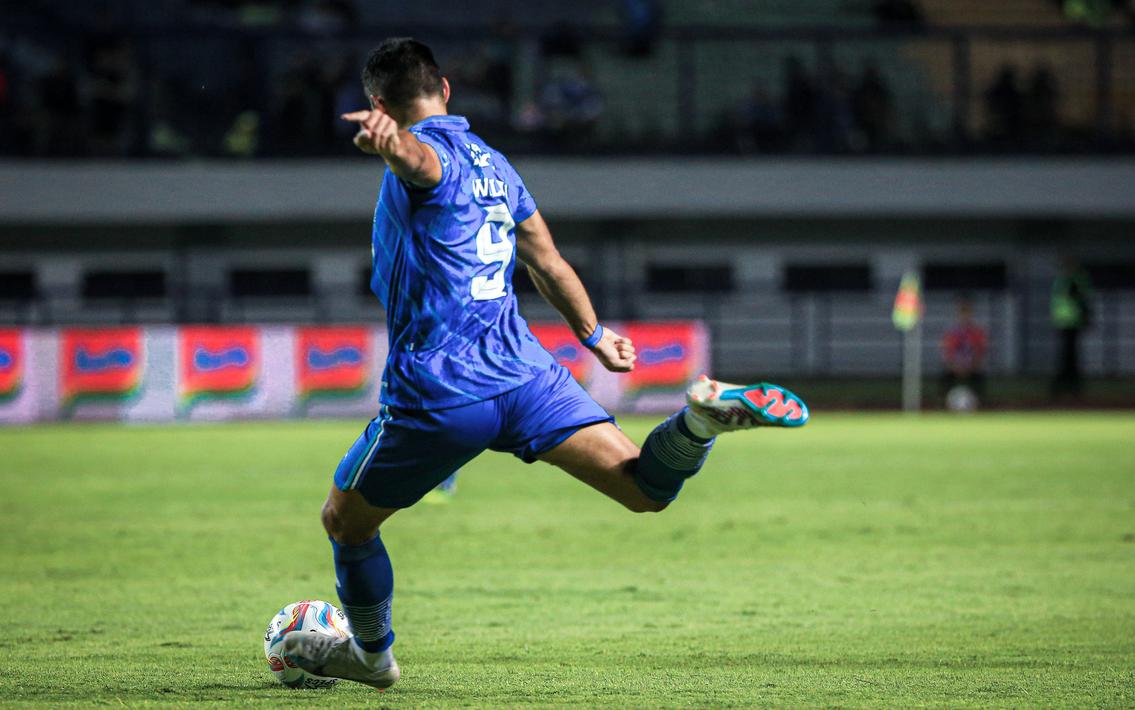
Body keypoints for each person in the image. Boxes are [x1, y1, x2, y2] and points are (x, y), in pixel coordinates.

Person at [281, 38, 810, 689]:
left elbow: (420, 165)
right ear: (445, 89)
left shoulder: (422, 155)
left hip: (444, 389)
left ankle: (371, 657)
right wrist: (594, 334)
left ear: (379, 104)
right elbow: (547, 260)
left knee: (344, 522)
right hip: (527, 375)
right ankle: (699, 423)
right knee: (644, 490)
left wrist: (391, 144)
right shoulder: (496, 166)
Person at [1051, 256, 1093, 401]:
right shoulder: (1067, 280)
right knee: (1068, 355)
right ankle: (1068, 386)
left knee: (1069, 356)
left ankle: (1067, 386)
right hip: (1066, 322)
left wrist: (1085, 317)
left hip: (1070, 322)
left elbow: (1081, 301)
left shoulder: (1070, 280)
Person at [940, 297, 988, 404]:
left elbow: (980, 352)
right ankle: (944, 402)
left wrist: (971, 366)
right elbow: (947, 353)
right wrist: (955, 367)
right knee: (946, 378)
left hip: (972, 367)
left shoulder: (977, 332)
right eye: (962, 313)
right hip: (955, 367)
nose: (964, 316)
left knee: (979, 378)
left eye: (967, 313)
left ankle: (980, 402)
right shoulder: (951, 333)